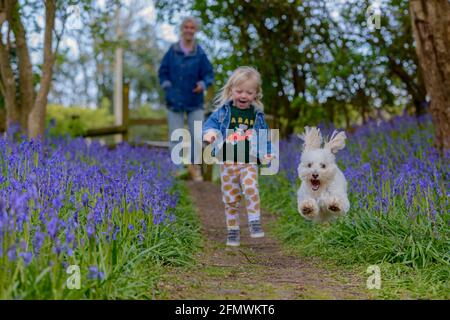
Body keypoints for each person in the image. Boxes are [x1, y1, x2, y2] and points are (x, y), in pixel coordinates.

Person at [202, 66, 274, 246]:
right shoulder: (224, 112)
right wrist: (210, 134)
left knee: (251, 189)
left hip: (248, 161)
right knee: (231, 198)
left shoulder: (257, 115)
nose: (243, 95)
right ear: (231, 90)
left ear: (256, 94)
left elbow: (264, 134)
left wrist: (267, 152)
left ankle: (254, 221)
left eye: (249, 92)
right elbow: (209, 125)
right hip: (227, 162)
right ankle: (233, 230)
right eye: (239, 91)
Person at [158, 16, 214, 181]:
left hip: (195, 101)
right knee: (176, 136)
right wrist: (167, 85)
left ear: (195, 31)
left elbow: (209, 74)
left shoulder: (200, 53)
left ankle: (194, 168)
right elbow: (163, 72)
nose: (189, 30)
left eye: (192, 27)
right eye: (186, 27)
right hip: (174, 100)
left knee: (197, 136)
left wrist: (203, 84)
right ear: (182, 30)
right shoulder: (172, 51)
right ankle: (176, 170)